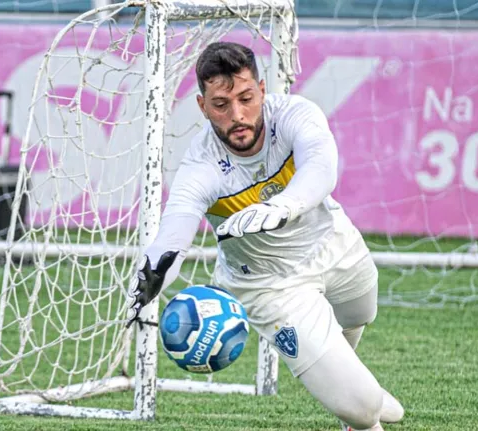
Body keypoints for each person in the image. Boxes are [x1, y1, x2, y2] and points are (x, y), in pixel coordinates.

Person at [125, 41, 405, 430]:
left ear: (262, 88)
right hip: (269, 286)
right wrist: (152, 273)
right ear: (203, 107)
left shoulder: (294, 114)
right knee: (364, 410)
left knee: (361, 313)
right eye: (221, 105)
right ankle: (359, 406)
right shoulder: (200, 167)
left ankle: (352, 385)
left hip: (333, 242)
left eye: (246, 97)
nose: (238, 115)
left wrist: (281, 207)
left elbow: (322, 167)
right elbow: (174, 233)